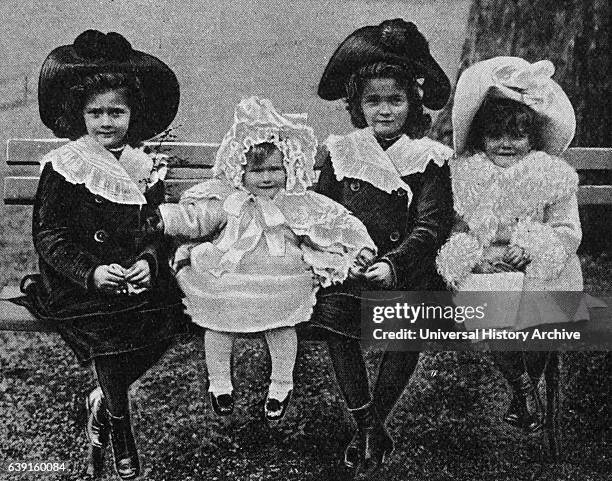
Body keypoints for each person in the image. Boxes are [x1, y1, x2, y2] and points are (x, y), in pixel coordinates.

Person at [13, 30, 186, 480]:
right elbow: (49, 236)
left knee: (173, 314)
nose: (106, 122)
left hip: (131, 275)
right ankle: (122, 433)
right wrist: (91, 273)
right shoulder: (66, 164)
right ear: (80, 114)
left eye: (116, 111)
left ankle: (102, 401)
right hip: (77, 281)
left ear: (133, 114)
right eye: (95, 112)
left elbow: (156, 228)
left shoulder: (143, 166)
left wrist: (148, 261)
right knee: (108, 325)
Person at [151, 96, 376, 422]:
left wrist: (360, 245)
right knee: (217, 318)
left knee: (282, 322)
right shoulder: (230, 200)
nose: (267, 178)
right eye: (257, 171)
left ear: (289, 168)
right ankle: (219, 382)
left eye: (275, 169)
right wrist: (164, 218)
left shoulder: (297, 202)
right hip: (232, 269)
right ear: (240, 172)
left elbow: (336, 220)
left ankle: (281, 383)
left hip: (281, 271)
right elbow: (196, 217)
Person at [313, 19, 454, 479]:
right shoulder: (342, 151)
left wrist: (394, 264)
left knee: (414, 322)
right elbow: (322, 214)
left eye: (395, 100)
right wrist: (342, 254)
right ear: (357, 105)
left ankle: (376, 421)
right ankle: (367, 423)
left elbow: (431, 226)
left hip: (406, 268)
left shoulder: (427, 157)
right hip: (352, 268)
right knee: (335, 317)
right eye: (373, 101)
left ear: (412, 102)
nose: (385, 111)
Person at [436, 57, 582, 433]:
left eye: (516, 136)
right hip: (489, 261)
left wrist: (535, 246)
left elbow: (567, 230)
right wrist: (474, 256)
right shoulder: (467, 176)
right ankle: (522, 386)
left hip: (542, 262)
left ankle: (526, 387)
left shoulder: (551, 176)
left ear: (531, 140)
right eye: (495, 136)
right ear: (481, 139)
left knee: (547, 304)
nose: (505, 144)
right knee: (488, 303)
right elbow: (456, 229)